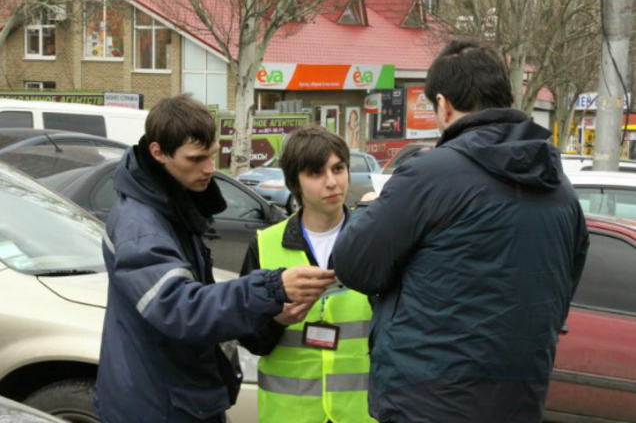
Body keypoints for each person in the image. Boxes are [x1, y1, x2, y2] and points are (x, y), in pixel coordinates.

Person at [332, 39, 589, 423]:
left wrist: (371, 205)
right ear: (505, 96)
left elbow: (353, 264)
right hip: (520, 399)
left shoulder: (429, 175)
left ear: (443, 104)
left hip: (426, 400)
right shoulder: (561, 191)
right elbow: (560, 293)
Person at [95, 94, 334, 423]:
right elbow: (181, 307)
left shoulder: (171, 205)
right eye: (195, 159)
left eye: (212, 155)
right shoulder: (142, 226)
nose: (210, 169)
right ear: (158, 153)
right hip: (158, 405)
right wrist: (272, 287)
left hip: (178, 394)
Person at [240, 125, 377, 423]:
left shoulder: (372, 239)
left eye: (338, 168)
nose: (332, 182)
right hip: (290, 414)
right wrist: (276, 321)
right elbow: (249, 338)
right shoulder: (265, 244)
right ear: (294, 183)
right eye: (316, 173)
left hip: (360, 413)